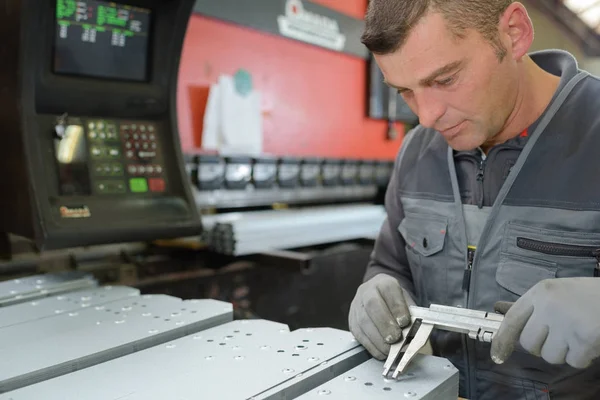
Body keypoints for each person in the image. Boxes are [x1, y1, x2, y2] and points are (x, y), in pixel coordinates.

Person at [348, 1, 600, 399]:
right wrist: (376, 292)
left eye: (445, 79)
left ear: (513, 32)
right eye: (405, 92)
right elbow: (392, 264)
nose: (427, 116)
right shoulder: (417, 151)